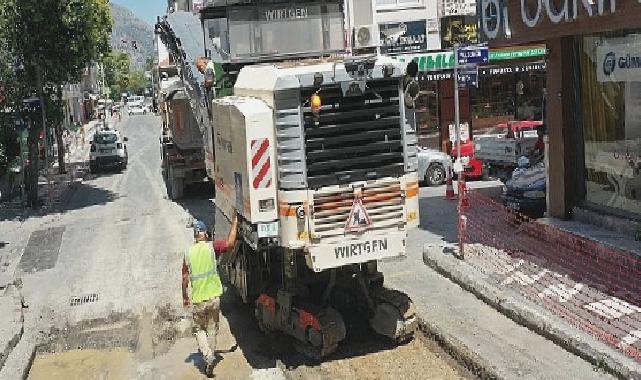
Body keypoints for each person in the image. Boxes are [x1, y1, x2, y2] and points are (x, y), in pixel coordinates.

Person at [182, 215, 238, 376]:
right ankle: (210, 357)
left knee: (199, 329)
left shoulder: (188, 253)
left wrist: (185, 297)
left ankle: (207, 355)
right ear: (205, 234)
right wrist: (235, 221)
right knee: (213, 328)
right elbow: (230, 243)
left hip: (199, 299)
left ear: (194, 235)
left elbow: (184, 279)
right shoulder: (211, 247)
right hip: (214, 298)